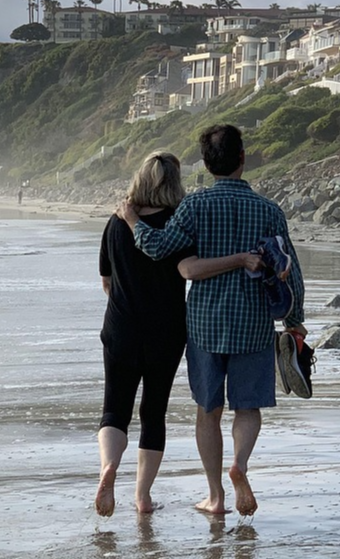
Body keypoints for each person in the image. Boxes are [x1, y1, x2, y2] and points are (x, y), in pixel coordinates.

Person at [117, 124, 306, 517]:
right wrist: (295, 320)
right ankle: (241, 463)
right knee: (248, 406)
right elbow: (293, 271)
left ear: (206, 163)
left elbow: (157, 247)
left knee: (208, 410)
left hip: (204, 322)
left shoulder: (195, 206)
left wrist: (132, 219)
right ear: (243, 158)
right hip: (254, 321)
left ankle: (216, 495)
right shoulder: (270, 211)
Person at [96, 151, 262, 517]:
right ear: (175, 183)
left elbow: (106, 281)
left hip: (121, 328)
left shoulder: (116, 223)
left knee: (114, 410)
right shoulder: (179, 223)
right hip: (167, 331)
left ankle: (108, 468)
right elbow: (189, 268)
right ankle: (142, 497)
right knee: (153, 413)